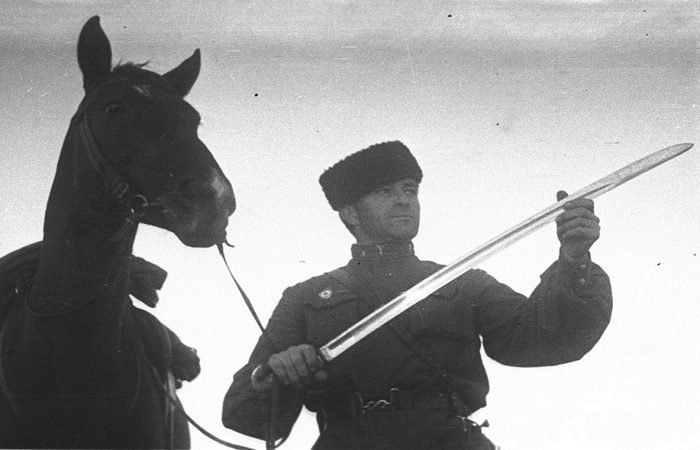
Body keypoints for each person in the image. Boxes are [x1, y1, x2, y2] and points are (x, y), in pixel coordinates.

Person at [222, 141, 612, 449]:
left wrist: (573, 259)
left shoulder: (463, 283)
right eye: (384, 192)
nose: (403, 199)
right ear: (350, 213)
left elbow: (542, 338)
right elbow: (244, 414)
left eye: (409, 189)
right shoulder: (305, 298)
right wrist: (277, 371)